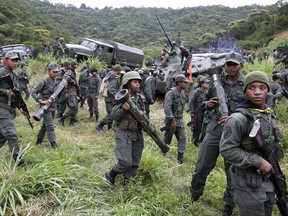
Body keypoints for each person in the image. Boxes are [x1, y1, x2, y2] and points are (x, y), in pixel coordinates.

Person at [220, 71, 283, 216]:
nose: (257, 92)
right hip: (248, 183)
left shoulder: (267, 114)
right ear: (245, 91)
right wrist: (258, 161)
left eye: (262, 88)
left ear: (268, 91)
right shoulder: (238, 119)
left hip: (268, 181)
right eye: (252, 88)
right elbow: (227, 150)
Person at [190, 52, 245, 216]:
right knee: (202, 165)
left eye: (234, 65)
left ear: (241, 65)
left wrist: (236, 116)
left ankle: (229, 204)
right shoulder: (216, 82)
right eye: (228, 64)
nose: (230, 67)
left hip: (235, 132)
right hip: (214, 129)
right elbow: (203, 103)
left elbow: (253, 107)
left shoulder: (247, 84)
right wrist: (208, 104)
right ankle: (195, 195)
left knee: (232, 171)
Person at [104, 71, 145, 185]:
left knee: (134, 162)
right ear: (127, 83)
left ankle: (127, 183)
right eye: (135, 82)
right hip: (123, 133)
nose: (138, 84)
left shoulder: (140, 98)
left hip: (137, 133)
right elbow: (113, 116)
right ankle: (111, 174)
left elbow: (144, 114)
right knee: (125, 162)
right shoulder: (121, 97)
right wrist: (123, 109)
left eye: (139, 82)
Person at [0, 51, 26, 165]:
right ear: (5, 60)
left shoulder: (14, 76)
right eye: (12, 60)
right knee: (11, 134)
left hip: (9, 108)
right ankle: (19, 162)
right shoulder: (1, 73)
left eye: (17, 60)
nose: (15, 63)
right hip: (1, 108)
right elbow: (8, 92)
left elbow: (16, 94)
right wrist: (5, 92)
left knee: (2, 136)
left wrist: (20, 106)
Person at [32, 62, 59, 149]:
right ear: (48, 71)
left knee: (45, 125)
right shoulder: (43, 81)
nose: (55, 73)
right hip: (45, 108)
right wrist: (41, 101)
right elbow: (34, 93)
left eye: (56, 72)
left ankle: (38, 141)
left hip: (53, 107)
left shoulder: (55, 81)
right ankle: (54, 146)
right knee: (50, 126)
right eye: (54, 72)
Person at [163, 74, 189, 164]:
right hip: (171, 120)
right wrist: (172, 120)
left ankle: (180, 158)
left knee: (182, 138)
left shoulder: (182, 92)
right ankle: (163, 154)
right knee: (167, 138)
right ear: (179, 83)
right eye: (185, 82)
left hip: (180, 119)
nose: (186, 84)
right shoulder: (171, 92)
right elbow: (167, 108)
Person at [96, 64, 121, 131]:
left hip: (110, 98)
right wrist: (117, 96)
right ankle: (100, 125)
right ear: (118, 70)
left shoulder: (110, 74)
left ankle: (110, 127)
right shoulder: (114, 77)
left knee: (111, 113)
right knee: (111, 114)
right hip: (111, 99)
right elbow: (111, 89)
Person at [188, 76, 210, 146]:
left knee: (205, 127)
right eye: (206, 83)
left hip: (205, 112)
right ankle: (195, 141)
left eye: (208, 83)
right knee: (197, 127)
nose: (207, 85)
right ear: (202, 84)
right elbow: (191, 101)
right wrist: (192, 112)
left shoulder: (207, 92)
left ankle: (202, 140)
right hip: (198, 113)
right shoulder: (196, 91)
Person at [58, 61, 79, 126]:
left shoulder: (72, 71)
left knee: (75, 107)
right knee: (73, 107)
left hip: (73, 91)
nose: (76, 66)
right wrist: (72, 81)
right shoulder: (69, 72)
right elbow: (65, 78)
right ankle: (62, 118)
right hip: (70, 92)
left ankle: (72, 121)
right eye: (75, 64)